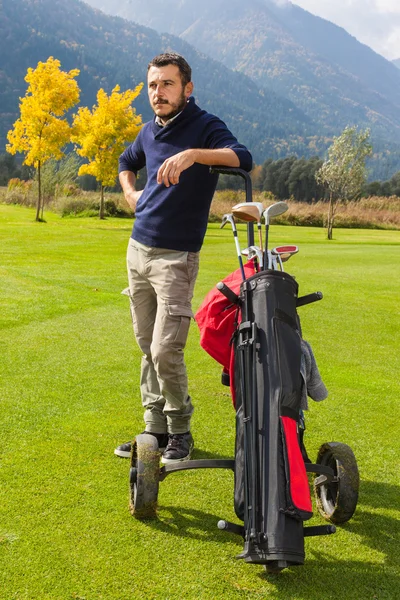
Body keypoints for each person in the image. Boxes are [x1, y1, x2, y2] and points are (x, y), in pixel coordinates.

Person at [115, 52, 252, 464]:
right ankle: (153, 429)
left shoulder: (205, 126)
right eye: (153, 85)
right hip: (138, 251)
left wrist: (194, 154)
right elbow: (126, 162)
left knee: (164, 350)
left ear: (187, 89)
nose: (158, 93)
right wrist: (129, 192)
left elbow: (242, 158)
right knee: (146, 345)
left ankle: (180, 430)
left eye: (167, 84)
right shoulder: (148, 131)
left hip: (176, 258)